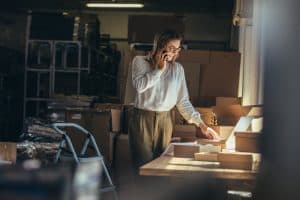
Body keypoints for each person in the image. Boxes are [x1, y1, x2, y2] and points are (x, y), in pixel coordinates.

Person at [129, 30, 220, 170]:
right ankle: (142, 192)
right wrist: (159, 69)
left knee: (162, 163)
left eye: (177, 49)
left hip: (165, 120)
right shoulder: (140, 62)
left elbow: (183, 101)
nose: (174, 53)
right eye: (171, 48)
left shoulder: (177, 69)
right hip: (142, 118)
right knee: (142, 164)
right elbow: (140, 87)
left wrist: (202, 125)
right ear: (160, 45)